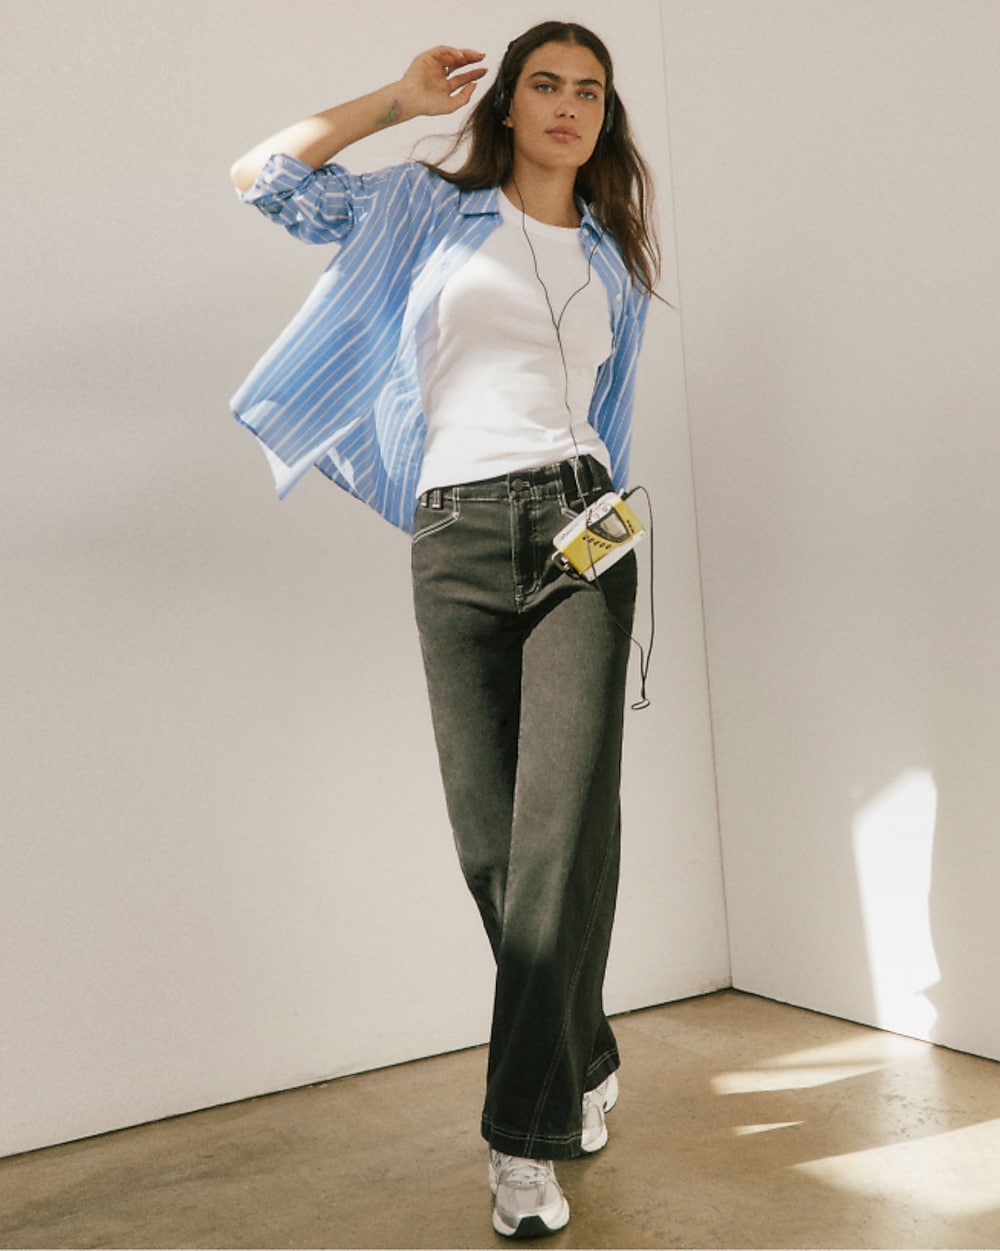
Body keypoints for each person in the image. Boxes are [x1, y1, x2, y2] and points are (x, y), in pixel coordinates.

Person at [229, 20, 659, 1239]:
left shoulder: (615, 263)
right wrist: (399, 101)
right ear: (510, 105)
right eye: (545, 85)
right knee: (493, 851)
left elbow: (611, 427)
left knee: (559, 835)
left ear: (603, 117)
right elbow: (264, 179)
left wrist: (615, 535)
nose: (567, 106)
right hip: (458, 537)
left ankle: (519, 1149)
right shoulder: (427, 208)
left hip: (585, 535)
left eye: (590, 90)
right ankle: (577, 1048)